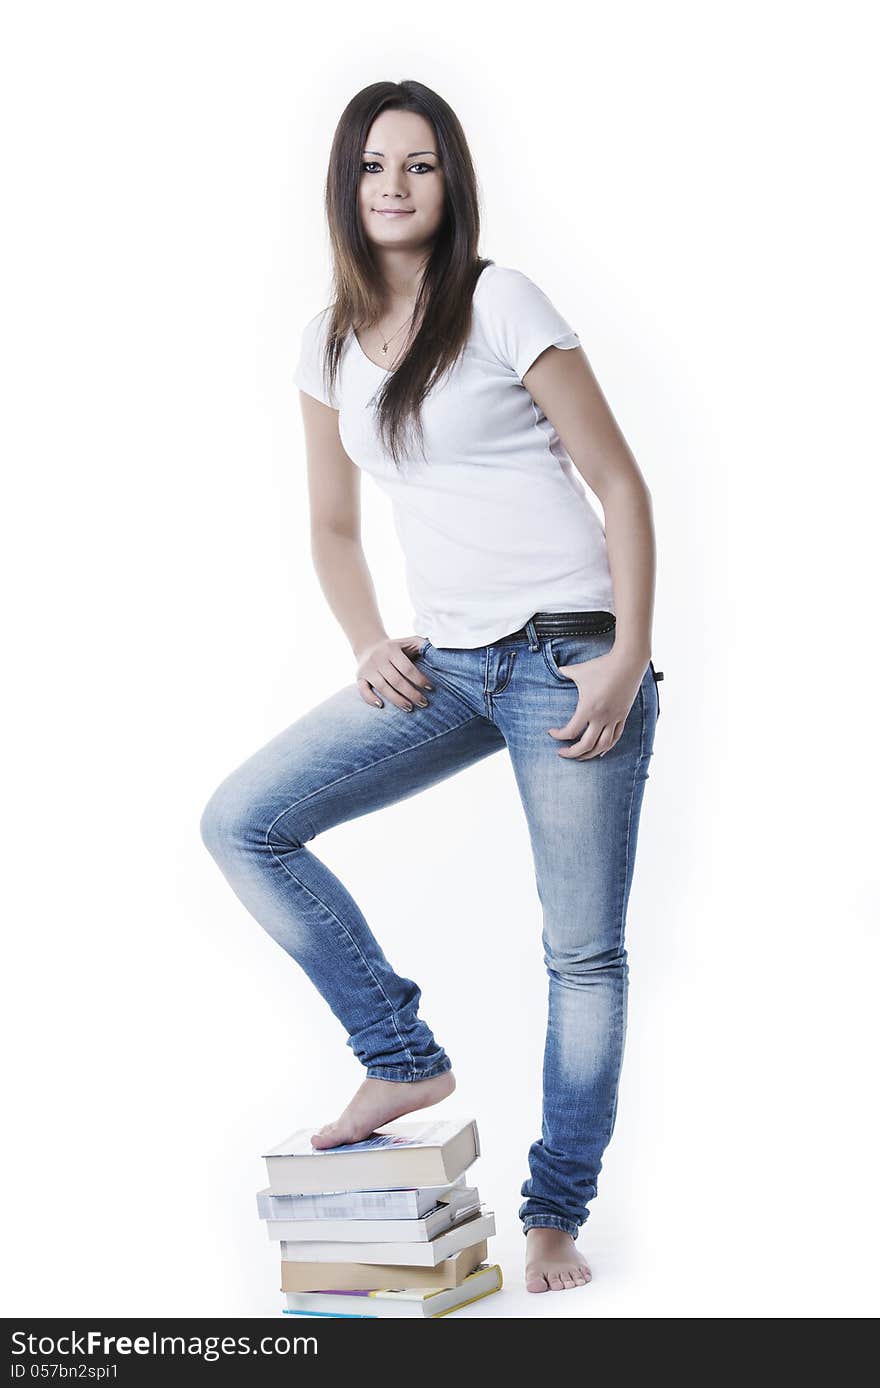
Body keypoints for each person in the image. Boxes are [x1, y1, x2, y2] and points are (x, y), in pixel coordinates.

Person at [200, 79, 663, 1296]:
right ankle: (399, 1053)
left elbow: (618, 483)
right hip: (446, 661)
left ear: (450, 181)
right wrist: (366, 640)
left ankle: (554, 1215)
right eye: (372, 166)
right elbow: (333, 522)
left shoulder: (501, 301)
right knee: (244, 820)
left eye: (418, 164)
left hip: (569, 658)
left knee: (582, 955)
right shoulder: (325, 339)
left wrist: (625, 652)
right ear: (345, 187)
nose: (395, 186)